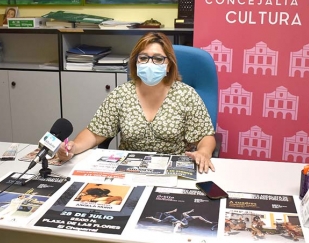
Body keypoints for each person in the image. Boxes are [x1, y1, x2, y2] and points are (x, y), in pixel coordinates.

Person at [58, 32, 216, 173]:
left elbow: (205, 137)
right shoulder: (121, 94)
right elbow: (95, 132)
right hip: (129, 170)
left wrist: (203, 152)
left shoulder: (186, 95)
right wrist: (73, 147)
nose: (149, 63)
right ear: (136, 62)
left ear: (168, 65)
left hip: (172, 170)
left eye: (158, 59)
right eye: (143, 58)